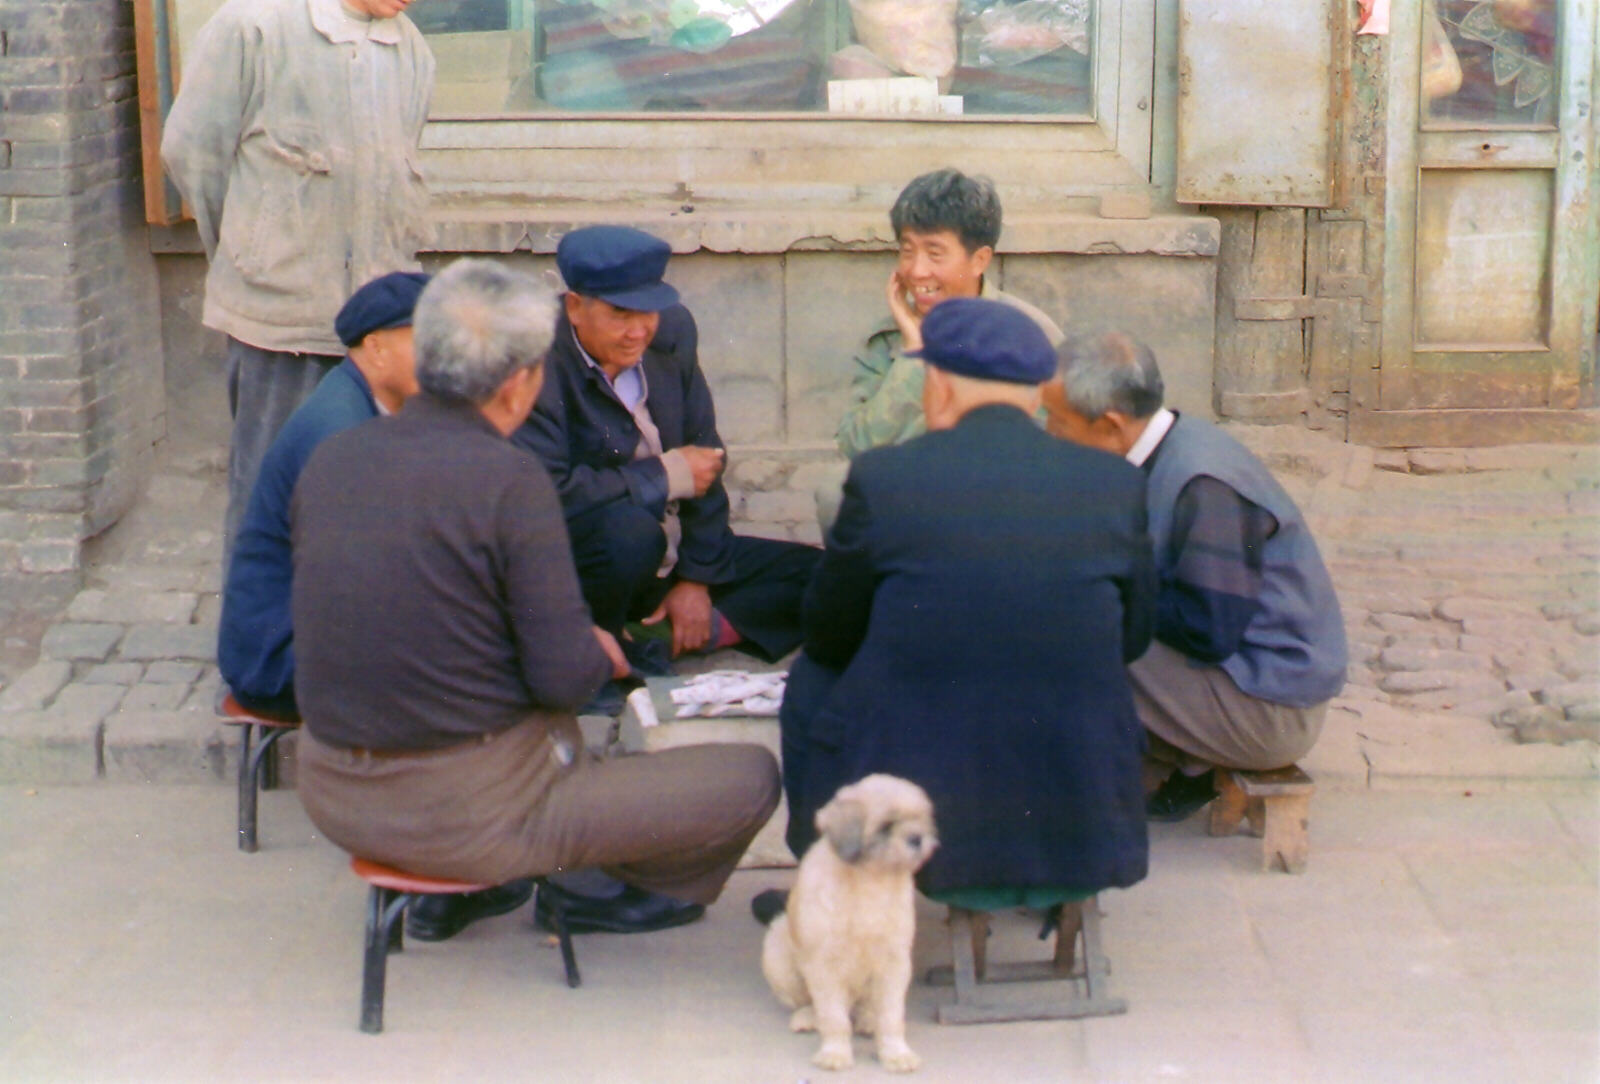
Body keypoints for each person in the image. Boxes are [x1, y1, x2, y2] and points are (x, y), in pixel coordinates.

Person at [290, 259, 781, 939]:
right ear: (522, 382)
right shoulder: (510, 480)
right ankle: (612, 895)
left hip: (332, 793)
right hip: (476, 810)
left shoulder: (336, 458)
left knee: (525, 720)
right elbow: (563, 677)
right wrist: (595, 652)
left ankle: (469, 888)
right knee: (750, 775)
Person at [778, 299, 1155, 900]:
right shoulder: (1116, 482)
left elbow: (829, 634)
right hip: (1072, 792)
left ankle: (823, 876)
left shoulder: (884, 478)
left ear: (939, 386)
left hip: (923, 772)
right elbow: (1131, 638)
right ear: (1036, 394)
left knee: (812, 679)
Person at [160, 0, 435, 562]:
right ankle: (258, 638)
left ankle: (341, 628)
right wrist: (253, 258)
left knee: (369, 490)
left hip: (379, 330)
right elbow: (192, 154)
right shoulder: (252, 26)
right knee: (269, 487)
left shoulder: (410, 48)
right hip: (279, 323)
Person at [1043, 332, 1348, 822]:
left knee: (1065, 630)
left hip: (1271, 711)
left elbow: (1208, 629)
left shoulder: (1203, 483)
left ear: (1110, 425)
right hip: (1244, 679)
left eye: (1057, 420)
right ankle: (1170, 761)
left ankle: (1122, 783)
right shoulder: (1160, 447)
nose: (1050, 432)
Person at [515, 225, 821, 673]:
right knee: (631, 534)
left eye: (649, 312)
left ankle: (660, 636)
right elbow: (546, 495)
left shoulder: (673, 330)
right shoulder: (536, 358)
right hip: (593, 562)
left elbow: (705, 457)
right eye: (621, 313)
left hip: (668, 557)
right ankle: (591, 658)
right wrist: (663, 477)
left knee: (822, 576)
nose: (638, 331)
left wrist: (698, 577)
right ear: (576, 308)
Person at [217, 271, 428, 721]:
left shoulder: (374, 402)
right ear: (376, 347)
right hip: (277, 657)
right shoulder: (339, 429)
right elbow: (358, 580)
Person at [818, 168, 1063, 527]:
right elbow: (858, 448)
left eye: (934, 253)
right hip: (914, 498)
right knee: (834, 493)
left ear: (979, 260)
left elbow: (1058, 449)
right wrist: (914, 355)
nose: (916, 271)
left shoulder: (1030, 333)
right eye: (907, 251)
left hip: (1003, 504)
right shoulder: (888, 339)